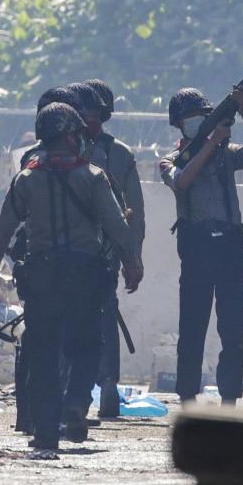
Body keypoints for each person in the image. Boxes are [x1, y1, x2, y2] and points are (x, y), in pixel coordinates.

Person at [0, 103, 143, 449]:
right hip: (85, 274)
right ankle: (76, 403)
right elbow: (117, 226)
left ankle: (44, 431)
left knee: (43, 351)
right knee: (86, 347)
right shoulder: (93, 176)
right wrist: (132, 261)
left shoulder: (27, 178)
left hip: (41, 275)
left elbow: (2, 227)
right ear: (72, 136)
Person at [159, 87, 243, 405]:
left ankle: (229, 398)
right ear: (179, 124)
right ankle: (188, 396)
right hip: (196, 248)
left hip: (231, 246)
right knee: (192, 326)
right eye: (190, 119)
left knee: (232, 329)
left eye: (201, 118)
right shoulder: (171, 159)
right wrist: (208, 145)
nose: (196, 122)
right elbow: (181, 181)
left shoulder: (227, 153)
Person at [82, 79, 145, 417]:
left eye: (93, 114)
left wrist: (131, 256)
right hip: (71, 252)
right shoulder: (56, 149)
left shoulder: (118, 153)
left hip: (103, 253)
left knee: (105, 319)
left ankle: (107, 386)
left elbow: (133, 211)